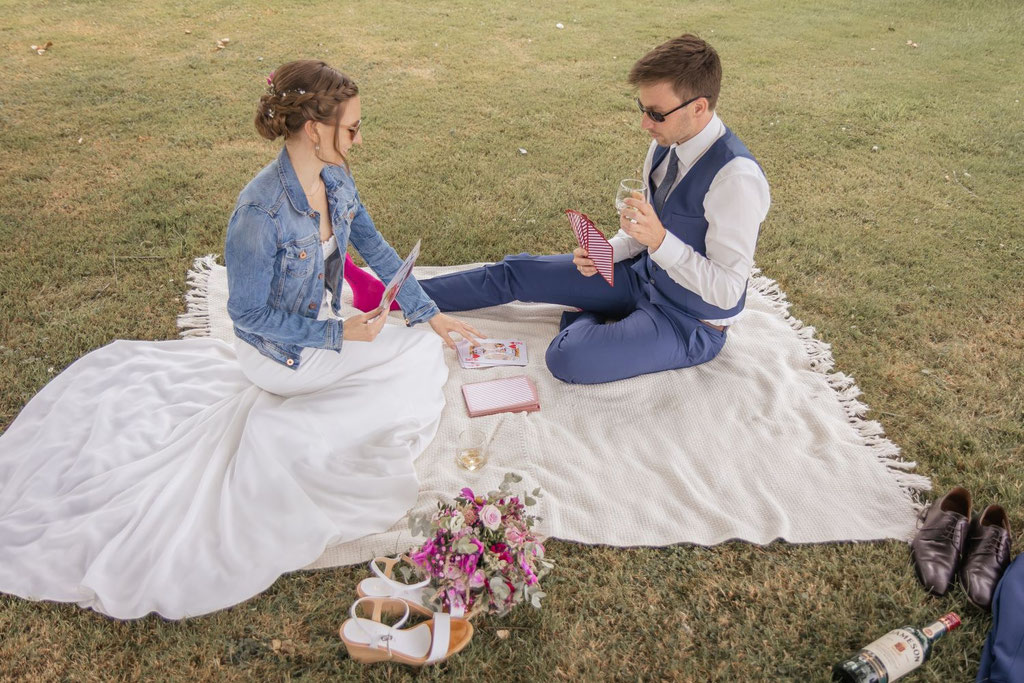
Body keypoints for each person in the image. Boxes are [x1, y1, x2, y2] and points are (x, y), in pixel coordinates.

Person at [0, 60, 475, 620]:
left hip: (316, 334)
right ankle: (303, 431)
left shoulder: (335, 179)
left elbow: (373, 245)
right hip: (276, 354)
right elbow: (246, 314)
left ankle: (323, 414)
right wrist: (336, 331)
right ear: (315, 130)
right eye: (352, 129)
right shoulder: (258, 211)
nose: (360, 140)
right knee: (401, 367)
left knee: (418, 347)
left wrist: (428, 313)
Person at [405, 34, 771, 384]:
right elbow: (640, 235)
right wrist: (607, 252)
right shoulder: (665, 145)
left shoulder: (735, 180)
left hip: (687, 320)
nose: (645, 124)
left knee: (568, 356)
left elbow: (727, 291)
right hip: (640, 276)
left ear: (699, 107)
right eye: (642, 109)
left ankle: (594, 311)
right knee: (517, 272)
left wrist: (659, 242)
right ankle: (405, 294)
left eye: (656, 114)